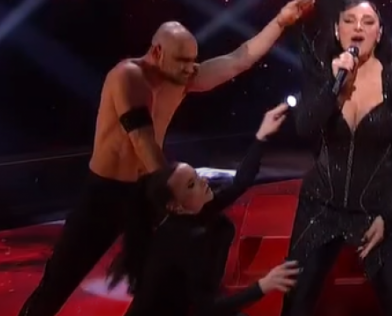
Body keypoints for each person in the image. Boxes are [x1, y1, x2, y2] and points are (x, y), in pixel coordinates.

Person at [17, 0, 314, 316]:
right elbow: (142, 142)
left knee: (183, 259)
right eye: (182, 61)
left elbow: (238, 59)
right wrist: (174, 198)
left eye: (193, 61)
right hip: (107, 192)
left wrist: (280, 22)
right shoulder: (128, 76)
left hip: (147, 190)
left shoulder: (181, 77)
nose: (191, 68)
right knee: (59, 280)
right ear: (157, 52)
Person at [281, 0, 392, 316]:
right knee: (294, 306)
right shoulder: (324, 73)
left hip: (379, 208)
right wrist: (334, 88)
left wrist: (387, 214)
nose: (358, 27)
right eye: (349, 20)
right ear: (337, 29)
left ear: (379, 33)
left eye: (368, 22)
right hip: (321, 207)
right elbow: (304, 126)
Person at [108, 102, 299, 316]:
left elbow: (240, 183)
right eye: (191, 185)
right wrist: (264, 285)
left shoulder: (196, 210)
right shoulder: (186, 239)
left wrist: (261, 136)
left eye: (197, 177)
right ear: (175, 206)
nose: (203, 182)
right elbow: (207, 308)